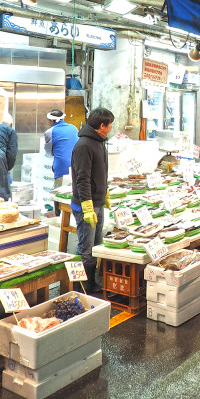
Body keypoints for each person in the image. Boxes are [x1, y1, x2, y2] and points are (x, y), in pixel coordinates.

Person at [70, 108, 114, 290]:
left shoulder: (99, 142)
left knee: (96, 246)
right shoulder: (84, 145)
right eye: (110, 123)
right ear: (102, 125)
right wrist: (87, 205)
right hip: (85, 205)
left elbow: (99, 173)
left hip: (97, 203)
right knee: (85, 248)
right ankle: (79, 285)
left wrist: (105, 192)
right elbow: (82, 178)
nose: (112, 127)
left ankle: (91, 281)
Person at [43, 109, 78, 185]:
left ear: (52, 120)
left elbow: (49, 152)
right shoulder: (73, 128)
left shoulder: (50, 132)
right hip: (77, 166)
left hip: (61, 167)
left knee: (59, 193)